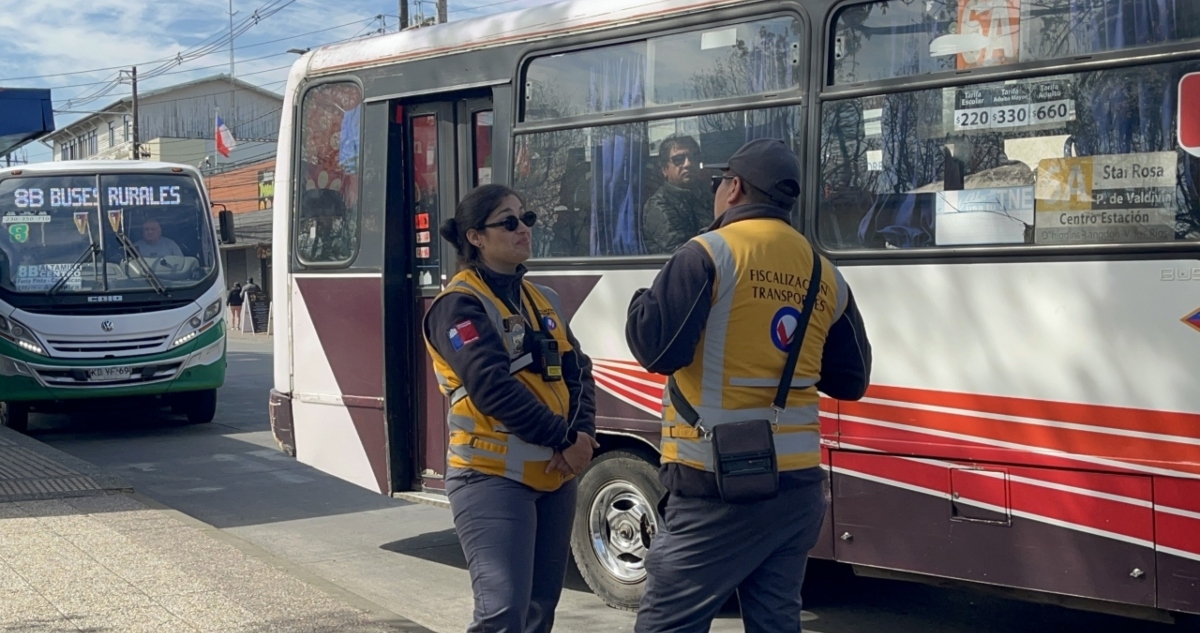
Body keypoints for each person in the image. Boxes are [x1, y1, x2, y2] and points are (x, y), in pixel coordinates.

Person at [626, 139, 872, 633]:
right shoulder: (823, 271)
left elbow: (657, 350)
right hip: (797, 486)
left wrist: (641, 300)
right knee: (776, 621)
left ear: (734, 187)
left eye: (719, 182)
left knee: (668, 624)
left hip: (715, 483)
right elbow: (851, 379)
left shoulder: (708, 253)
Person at [422, 183, 599, 633]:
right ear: (476, 238)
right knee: (503, 614)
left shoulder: (544, 300)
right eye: (509, 221)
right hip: (491, 476)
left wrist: (581, 437)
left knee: (540, 612)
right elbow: (492, 389)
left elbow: (579, 372)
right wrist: (564, 438)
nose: (523, 229)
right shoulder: (458, 306)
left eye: (526, 218)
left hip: (554, 477)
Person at [642, 135, 715, 254]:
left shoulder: (707, 195)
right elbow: (684, 253)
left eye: (694, 157)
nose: (688, 164)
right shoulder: (659, 205)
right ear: (664, 169)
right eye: (678, 159)